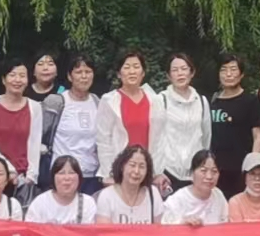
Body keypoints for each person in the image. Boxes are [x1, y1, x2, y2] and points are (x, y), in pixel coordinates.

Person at [0, 57, 45, 188]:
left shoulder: (35, 107)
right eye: (12, 75)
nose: (17, 80)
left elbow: (35, 143)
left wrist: (30, 177)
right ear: (4, 79)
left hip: (24, 178)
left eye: (22, 76)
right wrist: (8, 170)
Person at [43, 54, 103, 194]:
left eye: (88, 72)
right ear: (70, 76)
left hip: (91, 175)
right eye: (78, 72)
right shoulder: (56, 102)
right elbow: (41, 134)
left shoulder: (97, 102)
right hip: (63, 175)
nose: (84, 76)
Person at [152, 52, 210, 194]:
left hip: (196, 172)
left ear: (192, 72)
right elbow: (154, 139)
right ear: (168, 75)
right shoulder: (161, 100)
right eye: (175, 70)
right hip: (168, 172)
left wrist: (203, 166)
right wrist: (157, 172)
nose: (180, 73)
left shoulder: (201, 101)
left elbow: (206, 137)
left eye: (184, 69)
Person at [207, 55, 260, 199]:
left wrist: (252, 166)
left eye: (233, 69)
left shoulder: (251, 101)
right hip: (216, 169)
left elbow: (258, 137)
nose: (228, 74)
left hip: (241, 169)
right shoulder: (212, 102)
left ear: (241, 74)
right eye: (224, 70)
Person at [97, 51, 153, 182]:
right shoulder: (109, 100)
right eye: (127, 67)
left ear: (143, 73)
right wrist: (109, 173)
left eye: (136, 67)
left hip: (146, 169)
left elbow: (160, 139)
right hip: (119, 171)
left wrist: (158, 171)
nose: (132, 71)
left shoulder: (154, 100)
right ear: (118, 73)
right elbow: (103, 139)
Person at [95, 146, 164, 223]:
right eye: (132, 165)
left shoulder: (153, 193)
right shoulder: (107, 196)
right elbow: (104, 230)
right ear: (122, 167)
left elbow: (159, 228)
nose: (136, 171)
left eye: (142, 167)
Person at [162, 151, 229, 225]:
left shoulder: (218, 195)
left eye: (214, 171)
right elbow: (163, 226)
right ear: (192, 173)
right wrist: (181, 223)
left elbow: (225, 224)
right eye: (203, 171)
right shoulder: (177, 199)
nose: (209, 176)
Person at [26, 155, 98, 224]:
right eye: (61, 173)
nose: (67, 178)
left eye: (71, 173)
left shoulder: (88, 203)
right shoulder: (40, 202)